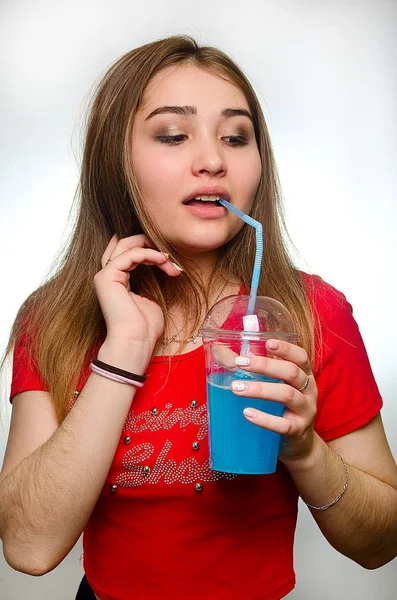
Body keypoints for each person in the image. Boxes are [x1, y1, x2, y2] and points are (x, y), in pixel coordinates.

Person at [0, 35, 396, 600]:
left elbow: (382, 545)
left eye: (236, 137)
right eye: (172, 135)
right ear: (118, 160)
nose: (212, 159)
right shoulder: (54, 318)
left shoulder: (313, 313)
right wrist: (126, 347)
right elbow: (28, 548)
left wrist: (307, 451)